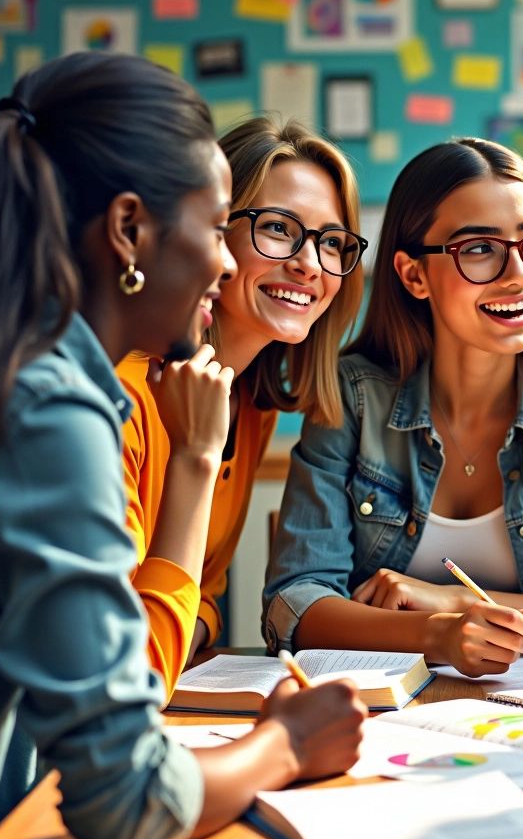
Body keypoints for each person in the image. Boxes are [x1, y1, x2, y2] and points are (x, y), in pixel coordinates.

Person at [0, 53, 365, 839]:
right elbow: (127, 796)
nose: (229, 261)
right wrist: (286, 745)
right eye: (226, 224)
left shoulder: (42, 369)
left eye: (334, 243)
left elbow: (183, 616)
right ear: (130, 230)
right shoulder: (63, 405)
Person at [264, 137, 523, 675]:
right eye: (478, 248)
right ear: (413, 275)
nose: (519, 274)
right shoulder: (351, 397)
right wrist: (436, 636)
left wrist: (455, 603)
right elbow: (296, 603)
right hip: (378, 713)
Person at [117, 118, 366, 694]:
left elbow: (202, 595)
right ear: (212, 237)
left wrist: (194, 622)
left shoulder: (250, 403)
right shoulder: (124, 398)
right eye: (279, 228)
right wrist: (183, 627)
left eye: (332, 242)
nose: (310, 264)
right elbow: (132, 662)